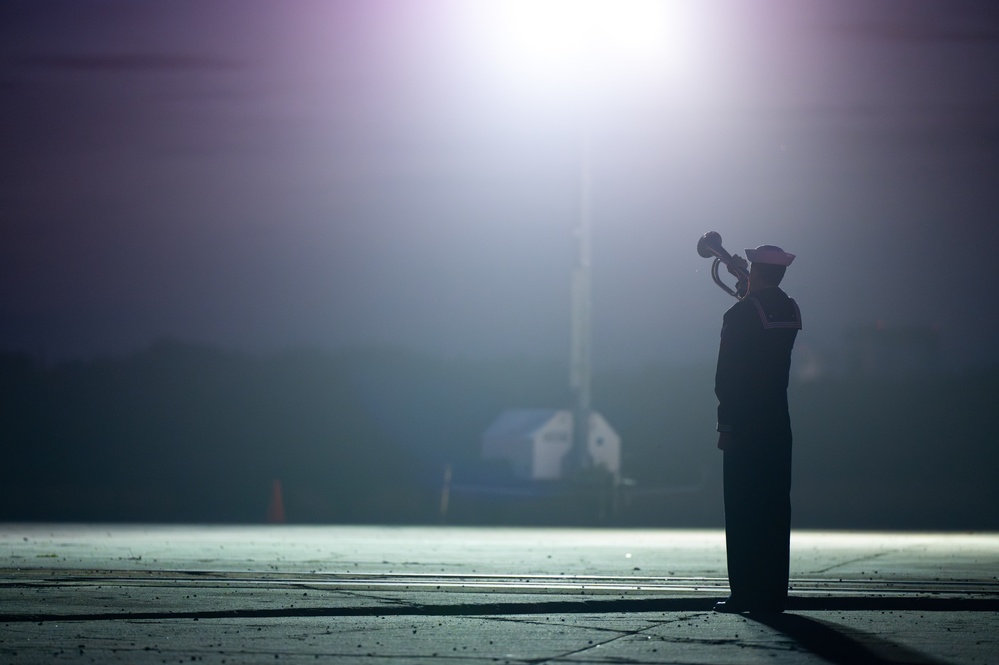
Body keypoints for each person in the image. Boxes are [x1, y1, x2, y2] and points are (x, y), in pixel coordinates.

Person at [712, 244, 801, 614]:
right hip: (778, 422)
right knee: (775, 509)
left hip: (745, 424)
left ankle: (746, 592)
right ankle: (773, 593)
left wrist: (725, 423)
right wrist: (753, 291)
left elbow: (727, 377)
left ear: (757, 272)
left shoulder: (741, 312)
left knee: (743, 508)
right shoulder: (791, 309)